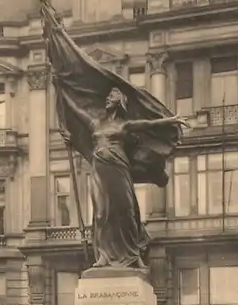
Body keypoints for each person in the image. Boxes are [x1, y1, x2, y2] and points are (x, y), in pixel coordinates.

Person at [60, 87, 187, 269]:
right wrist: (63, 91)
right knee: (101, 212)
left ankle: (133, 254)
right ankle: (104, 255)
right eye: (108, 95)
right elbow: (77, 110)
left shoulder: (124, 125)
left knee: (125, 210)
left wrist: (173, 120)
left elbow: (149, 124)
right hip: (99, 168)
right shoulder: (95, 124)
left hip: (118, 167)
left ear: (120, 100)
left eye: (112, 95)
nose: (108, 98)